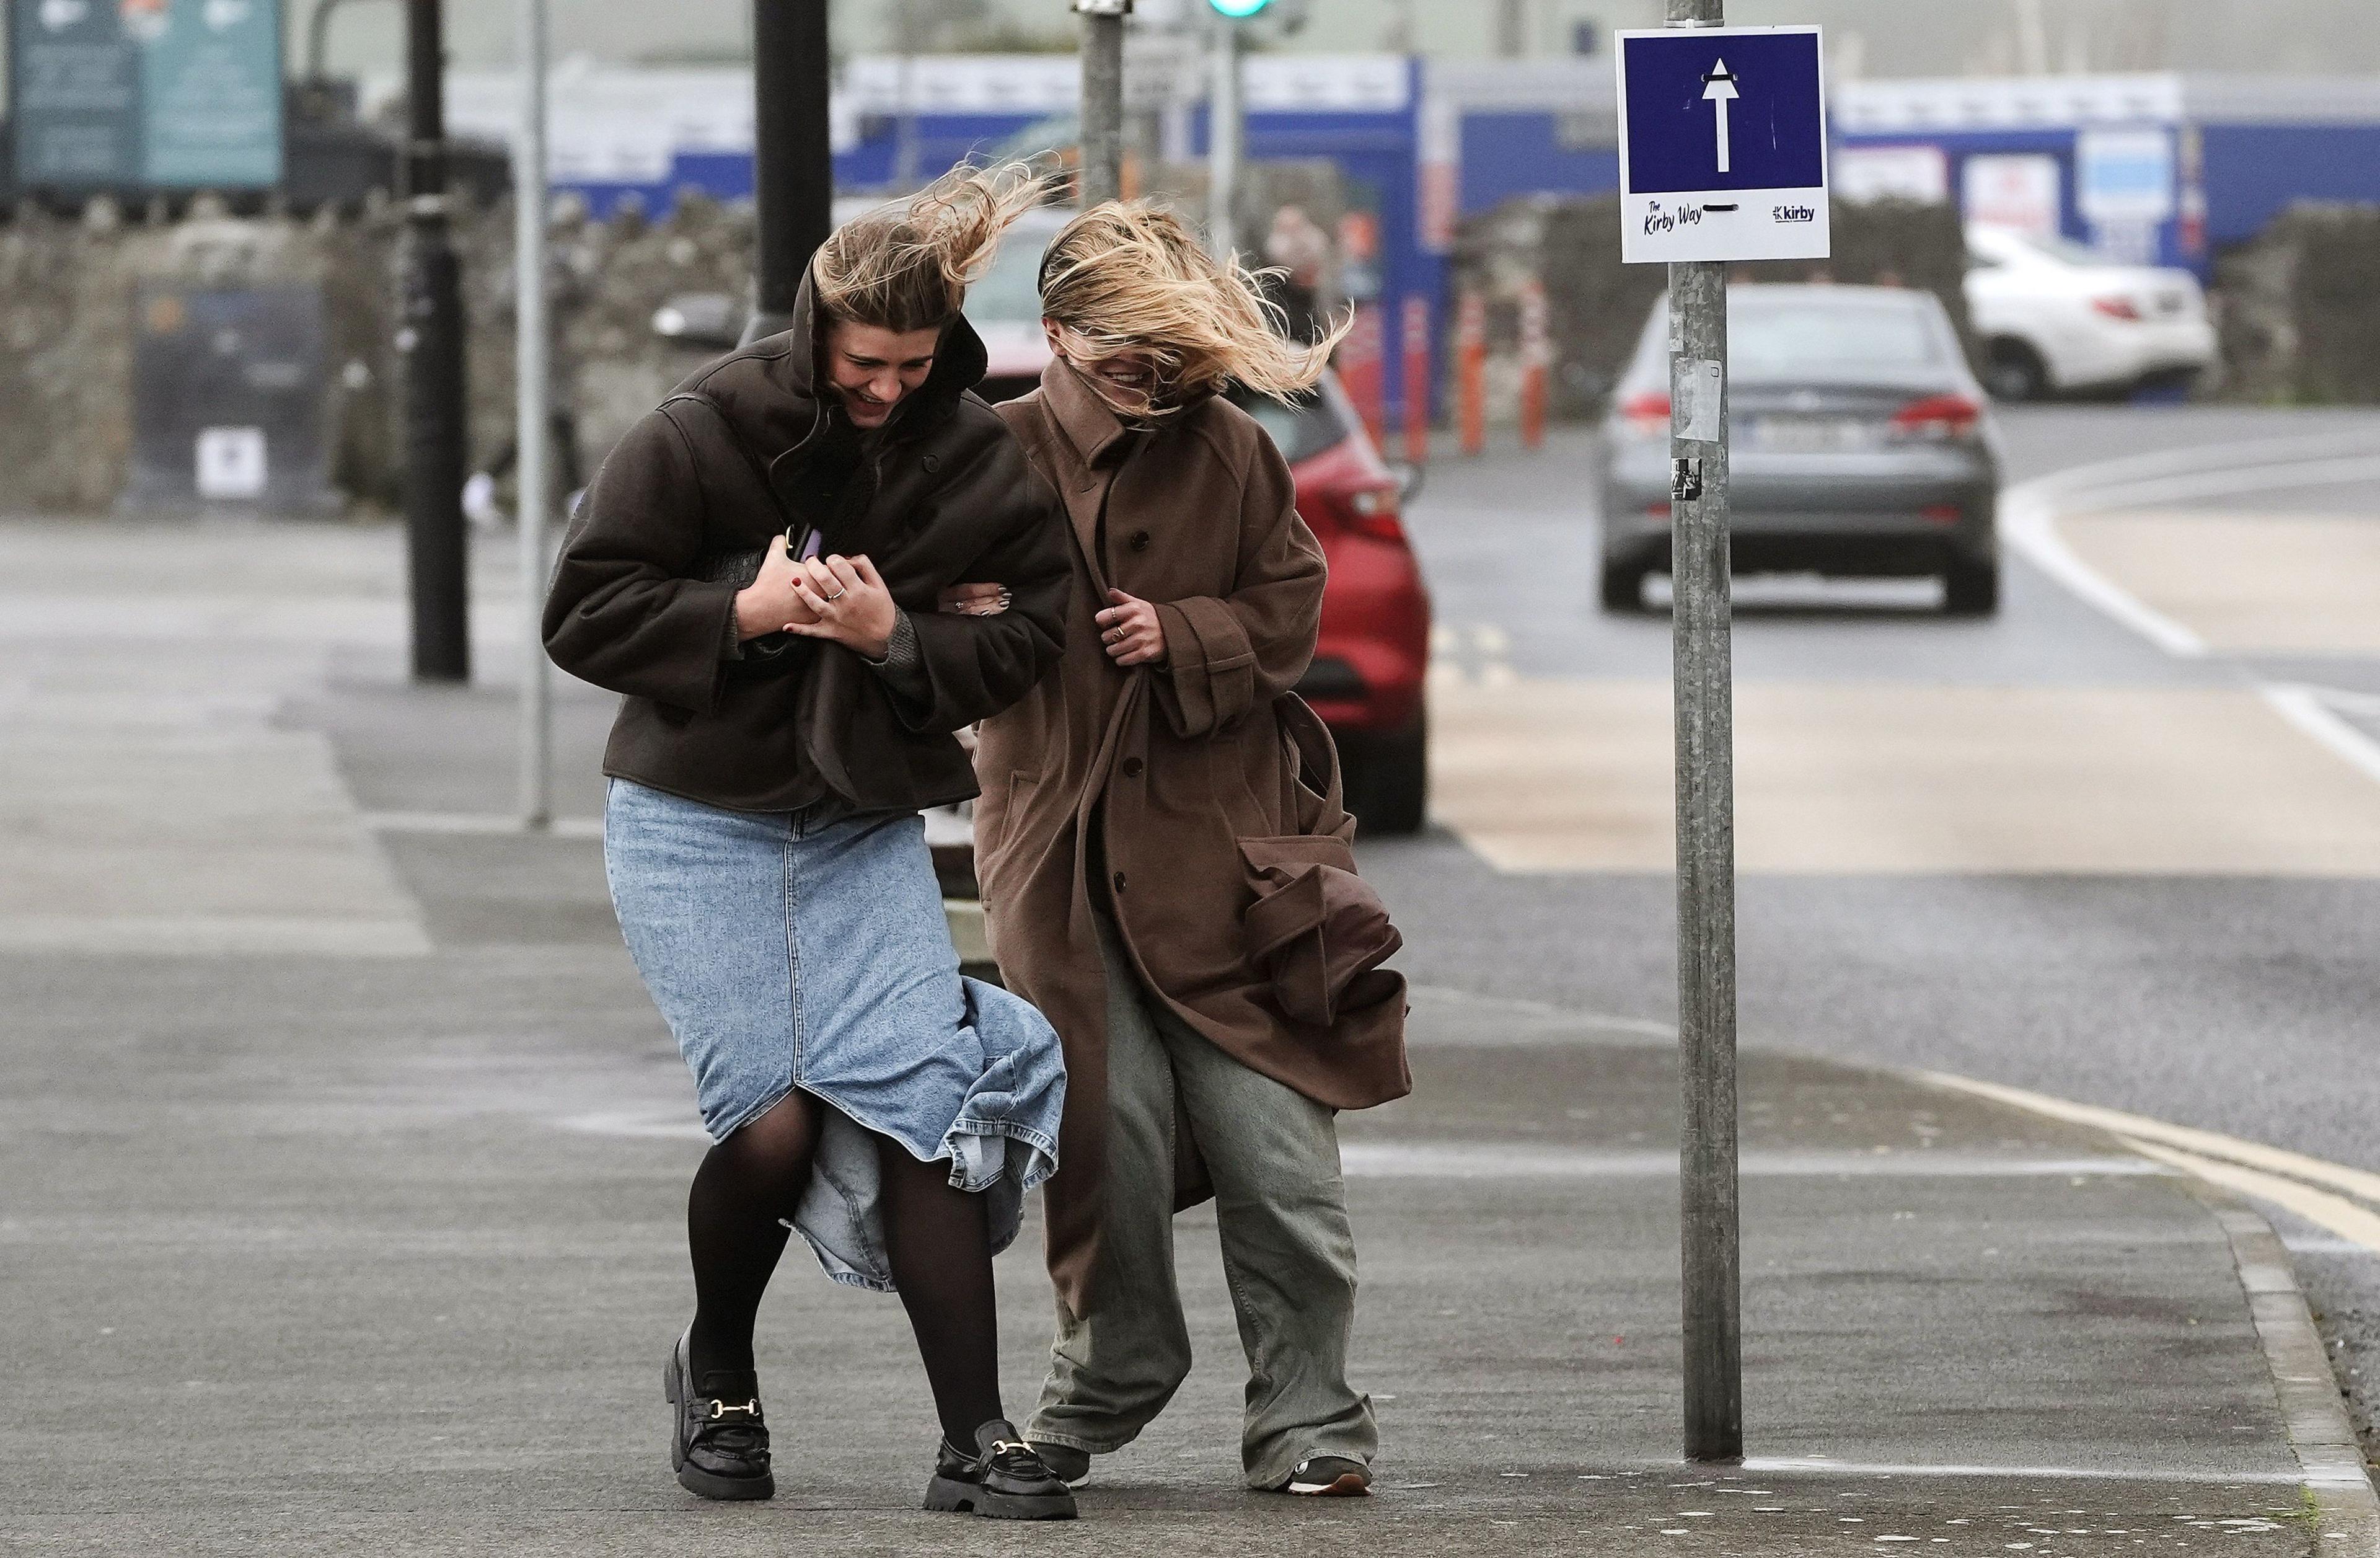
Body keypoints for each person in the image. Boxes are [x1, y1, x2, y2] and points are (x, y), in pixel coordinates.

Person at [542, 164, 1080, 1521]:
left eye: (912, 364)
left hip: (857, 825)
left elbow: (1031, 630)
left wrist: (894, 634)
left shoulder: (973, 449)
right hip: (691, 823)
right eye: (863, 364)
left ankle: (977, 1438)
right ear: (812, 334)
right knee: (773, 1128)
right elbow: (585, 609)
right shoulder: (709, 423)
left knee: (925, 1112)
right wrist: (751, 608)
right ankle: (716, 1366)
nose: (889, 390)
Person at [963, 201, 1412, 1498]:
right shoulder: (992, 455)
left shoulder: (1231, 453)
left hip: (1226, 862)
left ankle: (1313, 1420)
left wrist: (1190, 635)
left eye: (1169, 358)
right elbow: (934, 641)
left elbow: (1291, 602)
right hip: (1062, 862)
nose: (1150, 384)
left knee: (1281, 1156)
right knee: (1111, 1143)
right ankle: (1105, 1381)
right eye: (1123, 359)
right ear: (1054, 335)